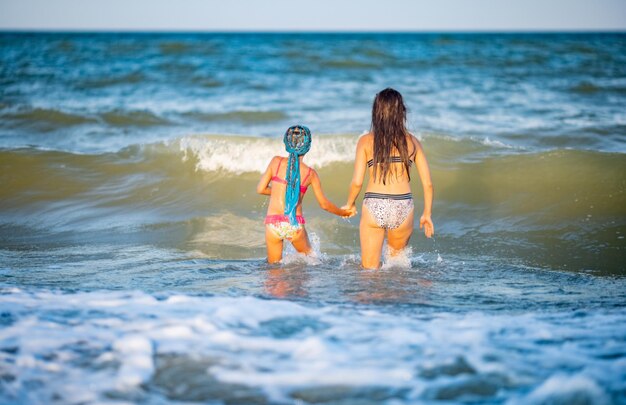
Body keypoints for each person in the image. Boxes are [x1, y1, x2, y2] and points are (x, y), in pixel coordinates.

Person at [343, 88, 434, 269]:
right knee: (397, 268)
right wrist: (427, 214)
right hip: (403, 206)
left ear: (376, 112)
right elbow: (428, 184)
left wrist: (350, 203)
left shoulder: (366, 141)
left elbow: (357, 182)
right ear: (401, 112)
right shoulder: (413, 141)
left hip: (375, 203)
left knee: (369, 271)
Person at [257, 125, 354, 264]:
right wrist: (344, 213)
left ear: (286, 143)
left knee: (274, 270)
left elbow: (261, 189)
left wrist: (281, 191)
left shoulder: (275, 162)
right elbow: (324, 205)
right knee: (312, 260)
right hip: (293, 223)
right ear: (308, 147)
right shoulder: (310, 173)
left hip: (273, 223)